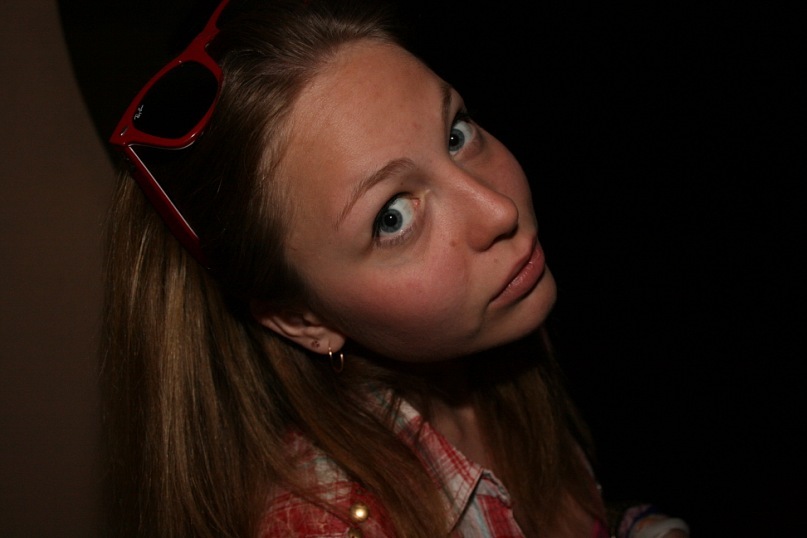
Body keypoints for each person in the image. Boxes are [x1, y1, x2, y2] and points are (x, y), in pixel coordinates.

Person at [102, 0, 691, 536]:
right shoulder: (330, 526)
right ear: (300, 319)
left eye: (456, 134)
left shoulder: (487, 353)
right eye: (392, 217)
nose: (499, 210)